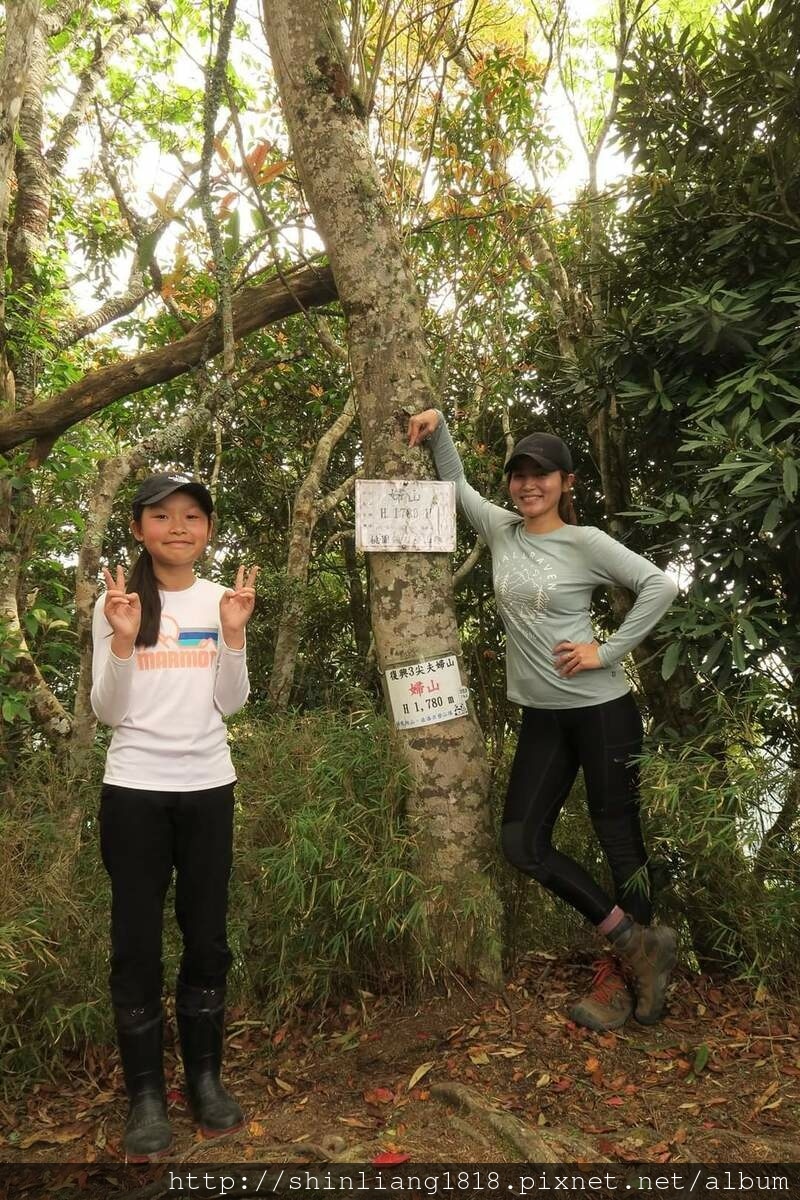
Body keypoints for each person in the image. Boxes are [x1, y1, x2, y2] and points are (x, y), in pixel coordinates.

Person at [407, 409, 679, 1033]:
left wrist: (606, 652)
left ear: (566, 481)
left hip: (603, 711)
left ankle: (623, 973)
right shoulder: (502, 531)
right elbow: (456, 486)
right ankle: (637, 943)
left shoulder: (583, 544)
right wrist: (440, 425)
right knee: (521, 842)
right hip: (544, 716)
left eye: (542, 475)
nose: (528, 485)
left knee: (620, 841)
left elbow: (658, 586)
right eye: (519, 476)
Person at [91, 472, 258, 1159]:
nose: (179, 527)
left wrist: (234, 636)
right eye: (162, 516)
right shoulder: (121, 602)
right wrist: (125, 636)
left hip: (208, 787)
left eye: (193, 515)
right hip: (134, 789)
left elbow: (232, 702)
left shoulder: (224, 600)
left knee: (207, 936)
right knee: (135, 942)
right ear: (139, 529)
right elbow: (108, 710)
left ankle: (205, 1080)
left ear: (209, 529)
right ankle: (146, 1098)